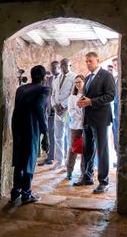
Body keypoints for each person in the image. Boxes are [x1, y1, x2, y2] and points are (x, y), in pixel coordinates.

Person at [73, 52, 116, 194]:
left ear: (98, 60)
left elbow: (110, 96)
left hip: (101, 119)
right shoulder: (88, 77)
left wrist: (91, 102)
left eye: (90, 61)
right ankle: (87, 176)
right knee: (87, 149)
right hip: (88, 118)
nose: (88, 63)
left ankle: (104, 182)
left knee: (102, 151)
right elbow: (87, 96)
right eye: (86, 61)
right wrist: (82, 102)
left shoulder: (106, 76)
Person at [11, 65, 50, 204]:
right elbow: (39, 107)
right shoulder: (44, 89)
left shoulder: (20, 89)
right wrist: (45, 132)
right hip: (31, 127)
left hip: (17, 126)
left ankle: (15, 191)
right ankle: (26, 194)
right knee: (29, 160)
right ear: (43, 77)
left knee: (19, 159)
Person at [51, 58, 77, 168]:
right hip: (57, 111)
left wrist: (62, 105)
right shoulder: (56, 79)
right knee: (58, 136)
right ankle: (59, 160)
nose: (63, 67)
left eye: (65, 65)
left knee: (68, 136)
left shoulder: (74, 77)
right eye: (61, 65)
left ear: (70, 65)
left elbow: (73, 94)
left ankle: (68, 161)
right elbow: (53, 94)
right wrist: (54, 105)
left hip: (67, 111)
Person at [38, 60, 60, 165]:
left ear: (59, 68)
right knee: (50, 133)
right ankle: (50, 156)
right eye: (51, 67)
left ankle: (61, 158)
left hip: (60, 110)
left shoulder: (63, 79)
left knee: (61, 135)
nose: (52, 69)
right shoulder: (48, 79)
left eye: (55, 67)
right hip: (49, 110)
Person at [65, 75, 86, 181]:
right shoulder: (72, 97)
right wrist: (81, 117)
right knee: (72, 148)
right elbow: (71, 111)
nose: (77, 84)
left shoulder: (88, 95)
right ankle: (69, 171)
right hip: (75, 126)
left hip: (86, 126)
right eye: (76, 82)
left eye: (79, 82)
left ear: (84, 82)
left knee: (86, 149)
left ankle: (84, 172)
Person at [111, 57, 121, 166]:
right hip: (113, 109)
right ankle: (118, 157)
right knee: (115, 132)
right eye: (114, 65)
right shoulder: (114, 78)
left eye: (116, 64)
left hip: (119, 108)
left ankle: (121, 158)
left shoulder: (123, 78)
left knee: (119, 132)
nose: (115, 67)